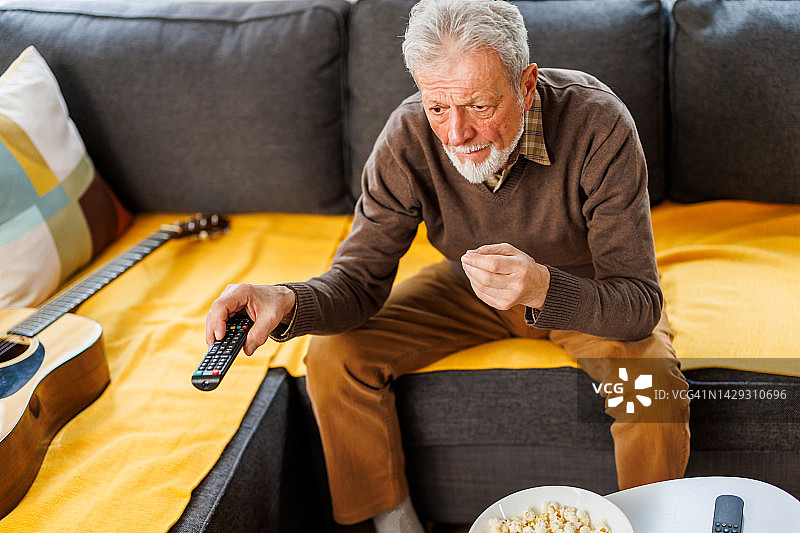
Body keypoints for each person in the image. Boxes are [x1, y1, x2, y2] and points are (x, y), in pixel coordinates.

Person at [205, 0, 690, 531]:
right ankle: (395, 524)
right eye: (439, 107)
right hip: (469, 288)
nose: (456, 134)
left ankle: (647, 526)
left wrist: (541, 286)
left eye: (479, 107)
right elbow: (358, 282)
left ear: (526, 85)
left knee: (654, 381)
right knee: (333, 353)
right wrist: (287, 299)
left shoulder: (597, 122)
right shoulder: (408, 137)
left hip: (586, 289)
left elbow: (639, 303)